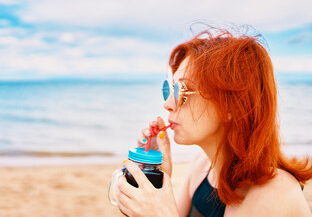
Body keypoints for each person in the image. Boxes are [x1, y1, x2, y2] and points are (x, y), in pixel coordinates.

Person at [115, 27, 312, 216]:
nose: (167, 104)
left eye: (181, 91)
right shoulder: (201, 167)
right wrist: (157, 180)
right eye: (170, 89)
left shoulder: (276, 194)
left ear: (231, 106)